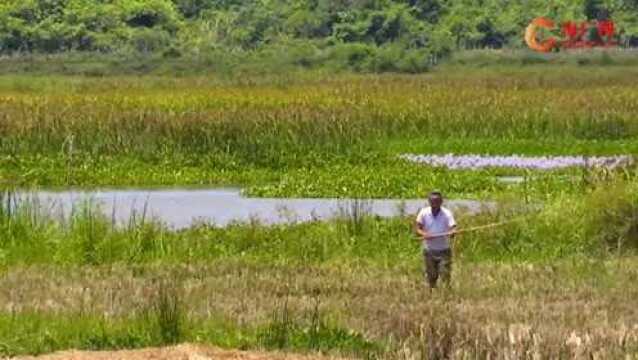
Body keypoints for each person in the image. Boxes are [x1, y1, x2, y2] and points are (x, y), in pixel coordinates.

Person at [414, 191, 457, 289]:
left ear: (441, 202)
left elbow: (453, 227)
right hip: (429, 250)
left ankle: (446, 293)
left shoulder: (447, 213)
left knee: (445, 273)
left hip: (444, 249)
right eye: (433, 202)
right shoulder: (424, 212)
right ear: (429, 202)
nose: (435, 204)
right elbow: (417, 229)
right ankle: (432, 294)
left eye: (437, 201)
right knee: (431, 275)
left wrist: (452, 232)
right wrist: (425, 234)